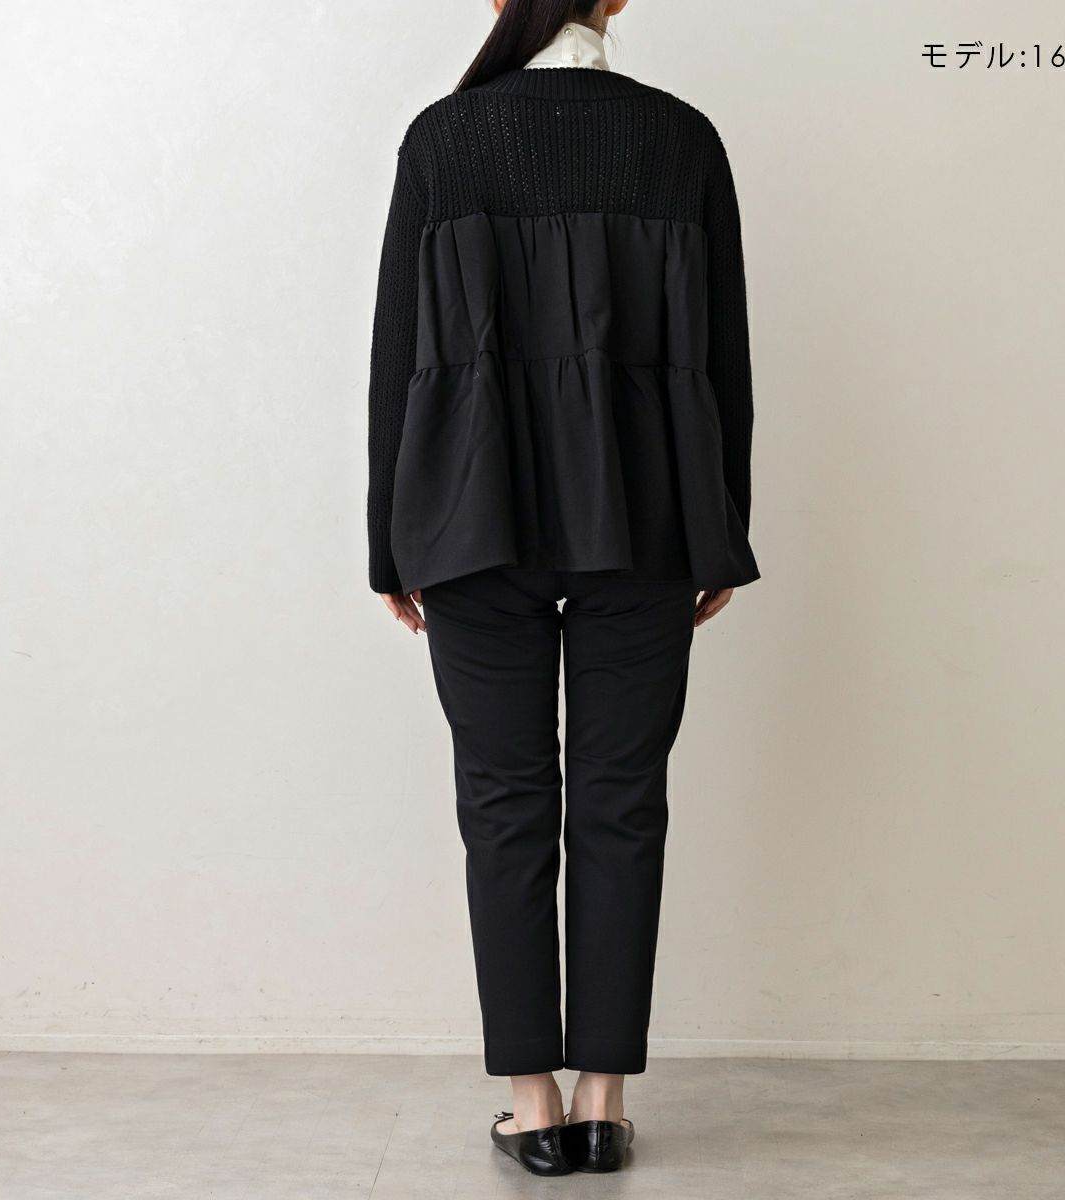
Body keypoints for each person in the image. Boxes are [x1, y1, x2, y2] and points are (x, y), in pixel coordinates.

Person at [365, 0, 760, 1176]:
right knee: (622, 800)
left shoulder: (444, 140)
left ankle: (532, 1106)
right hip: (647, 519)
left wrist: (391, 542)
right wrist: (717, 529)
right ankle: (602, 1099)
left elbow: (398, 354)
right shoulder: (679, 139)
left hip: (468, 516)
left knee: (503, 803)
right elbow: (725, 358)